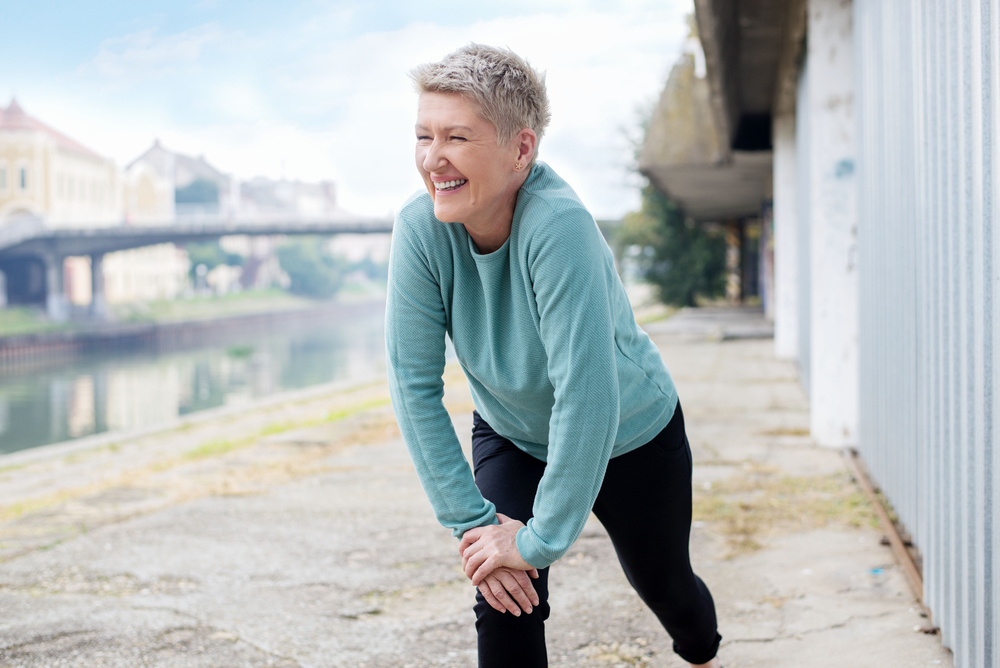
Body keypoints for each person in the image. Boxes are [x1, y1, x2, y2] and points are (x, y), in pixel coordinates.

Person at [385, 44, 722, 668]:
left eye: (457, 136)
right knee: (503, 592)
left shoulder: (558, 226)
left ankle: (703, 646)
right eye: (423, 136)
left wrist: (538, 542)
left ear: (521, 149)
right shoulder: (419, 228)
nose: (434, 159)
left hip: (630, 433)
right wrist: (475, 528)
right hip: (513, 432)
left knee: (668, 590)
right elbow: (411, 382)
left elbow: (586, 393)